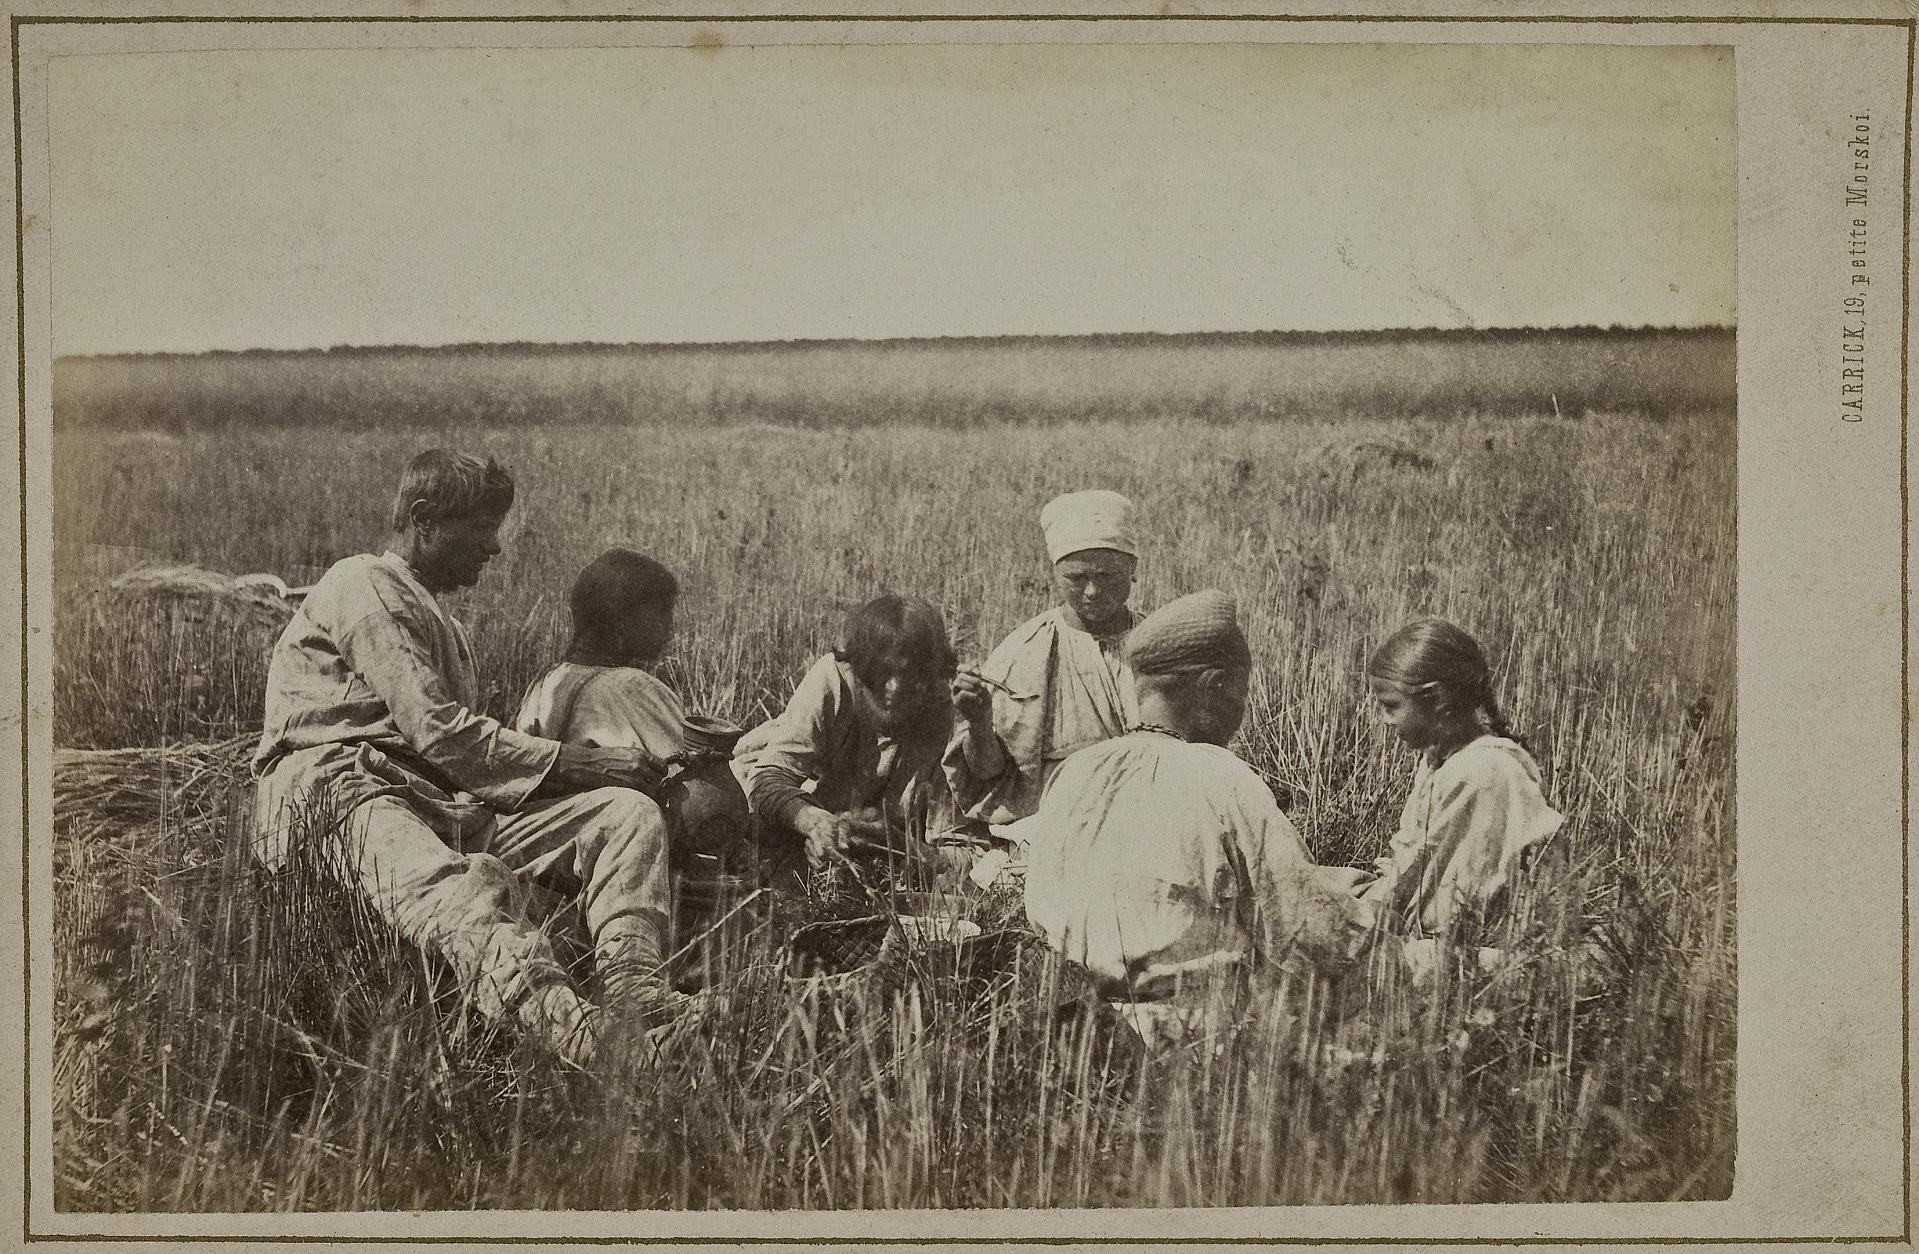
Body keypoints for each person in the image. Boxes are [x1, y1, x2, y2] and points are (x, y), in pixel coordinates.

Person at [252, 451, 683, 1070]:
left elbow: (454, 754)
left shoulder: (436, 618)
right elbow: (437, 730)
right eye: (482, 529)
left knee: (625, 814)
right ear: (425, 520)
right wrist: (573, 762)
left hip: (434, 802)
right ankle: (595, 1047)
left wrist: (573, 778)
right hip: (341, 792)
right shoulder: (364, 583)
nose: (495, 548)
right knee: (465, 898)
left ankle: (638, 992)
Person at [1021, 590, 1371, 1048]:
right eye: (1240, 695)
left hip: (1073, 1026)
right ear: (1212, 686)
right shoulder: (1221, 777)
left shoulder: (1076, 771)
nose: (1240, 716)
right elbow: (1309, 934)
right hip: (1187, 1042)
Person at [733, 594, 979, 891]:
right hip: (800, 829)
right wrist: (818, 824)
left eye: (909, 675)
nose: (894, 688)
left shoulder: (947, 718)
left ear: (931, 675)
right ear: (858, 665)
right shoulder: (833, 681)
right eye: (882, 673)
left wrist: (903, 850)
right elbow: (768, 780)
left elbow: (964, 852)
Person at [1359, 617, 1564, 947]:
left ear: (1437, 699)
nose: (1384, 719)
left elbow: (1448, 904)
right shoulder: (1440, 758)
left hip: (1470, 953)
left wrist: (1362, 915)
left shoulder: (1482, 772)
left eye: (1391, 706)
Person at [946, 489, 1144, 828]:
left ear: (1133, 569)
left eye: (1107, 576)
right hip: (1052, 825)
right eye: (1076, 578)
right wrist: (979, 723)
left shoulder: (1161, 645)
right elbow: (990, 775)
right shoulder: (1025, 652)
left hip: (1144, 814)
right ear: (1055, 575)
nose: (1092, 591)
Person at [516, 548, 684, 760]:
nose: (670, 624)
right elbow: (694, 772)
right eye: (662, 610)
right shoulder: (636, 688)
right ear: (621, 619)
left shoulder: (547, 682)